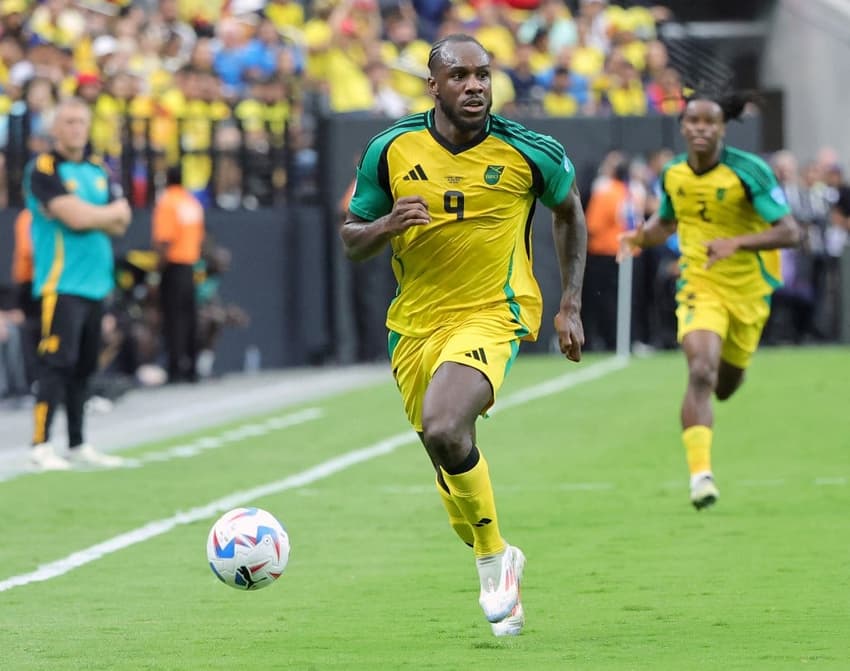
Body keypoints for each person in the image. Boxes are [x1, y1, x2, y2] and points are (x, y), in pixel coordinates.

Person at [340, 34, 587, 637]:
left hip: (493, 311)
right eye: (460, 76)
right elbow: (351, 238)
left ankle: (491, 561)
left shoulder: (531, 150)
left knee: (448, 425)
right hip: (416, 324)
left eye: (483, 75)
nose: (474, 86)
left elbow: (568, 211)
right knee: (440, 446)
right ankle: (498, 554)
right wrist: (388, 223)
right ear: (435, 85)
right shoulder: (391, 148)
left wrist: (570, 305)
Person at [618, 89, 800, 510]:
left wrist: (736, 243)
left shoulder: (749, 171)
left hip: (750, 291)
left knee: (725, 386)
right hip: (700, 284)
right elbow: (665, 221)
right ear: (683, 127)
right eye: (693, 122)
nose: (700, 129)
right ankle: (701, 476)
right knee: (700, 370)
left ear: (722, 127)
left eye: (709, 122)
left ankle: (730, 372)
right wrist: (639, 237)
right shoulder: (674, 175)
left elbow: (792, 232)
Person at [24, 97, 133, 471]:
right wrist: (98, 215)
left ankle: (77, 442)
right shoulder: (43, 168)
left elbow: (123, 219)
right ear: (55, 128)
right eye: (68, 122)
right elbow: (73, 217)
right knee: (56, 362)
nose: (75, 129)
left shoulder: (99, 168)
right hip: (62, 282)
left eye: (81, 122)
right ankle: (40, 444)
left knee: (86, 367)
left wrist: (91, 215)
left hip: (96, 283)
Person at [152, 164, 205, 383]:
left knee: (174, 320)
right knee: (191, 319)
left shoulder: (168, 202)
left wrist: (155, 272)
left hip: (173, 267)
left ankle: (175, 369)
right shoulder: (192, 203)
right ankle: (192, 368)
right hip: (190, 266)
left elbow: (165, 239)